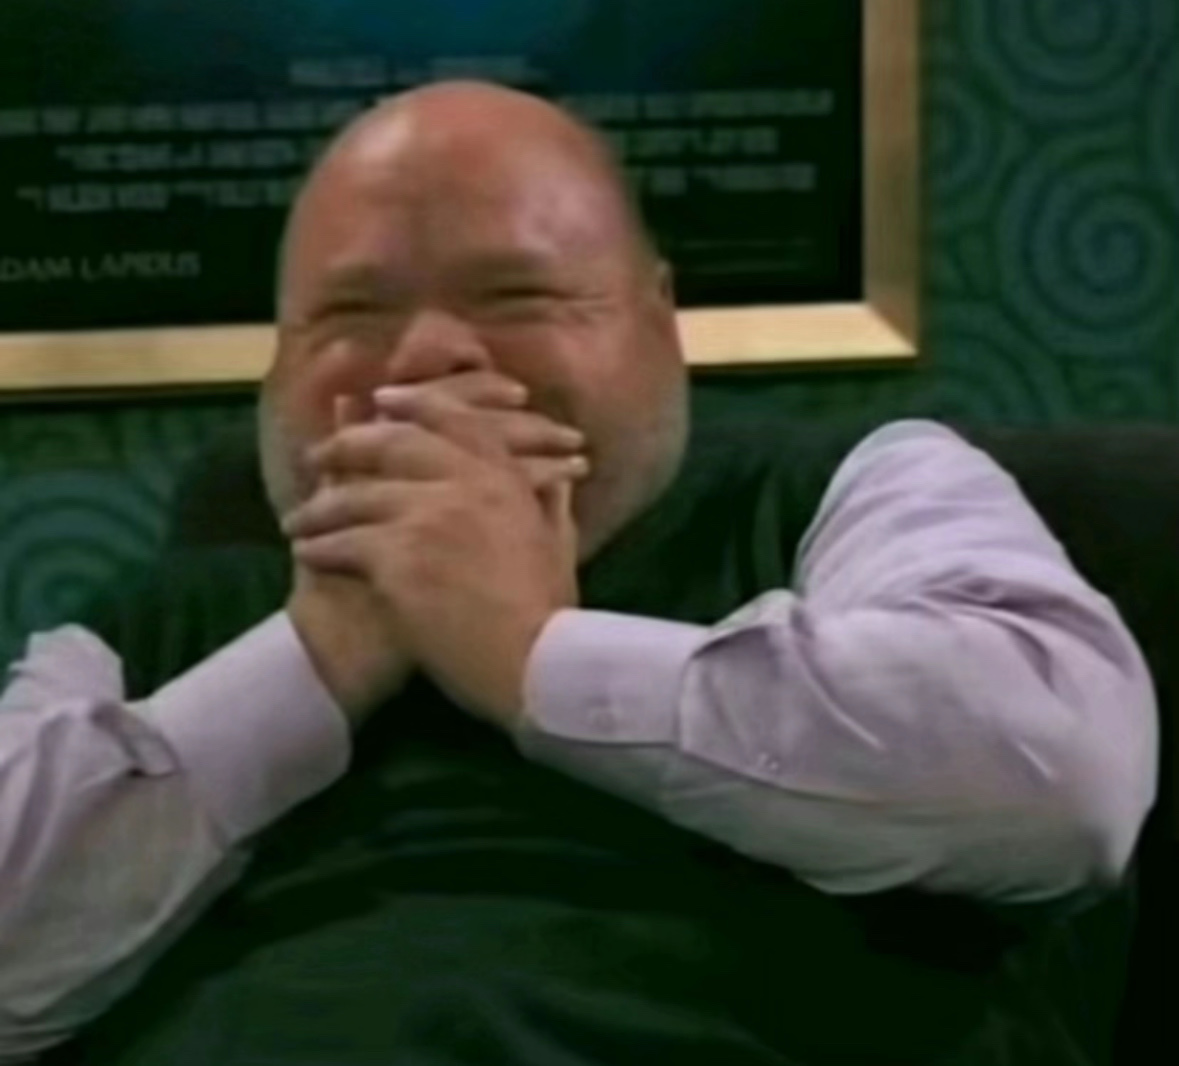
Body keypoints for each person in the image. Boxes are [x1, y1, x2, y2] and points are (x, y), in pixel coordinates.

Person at [0, 82, 1157, 1065]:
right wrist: (317, 658)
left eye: (518, 296)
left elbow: (1064, 777)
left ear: (659, 324)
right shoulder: (160, 622)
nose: (428, 355)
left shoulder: (846, 493)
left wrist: (532, 654)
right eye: (350, 312)